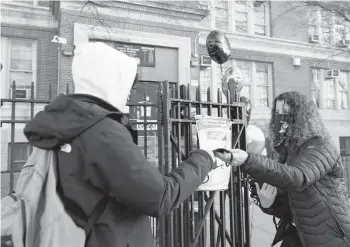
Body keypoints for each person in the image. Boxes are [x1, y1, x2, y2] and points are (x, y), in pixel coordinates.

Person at [23, 42, 231, 247]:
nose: (130, 93)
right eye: (127, 83)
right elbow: (160, 197)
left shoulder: (64, 123)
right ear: (110, 80)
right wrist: (204, 157)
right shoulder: (102, 131)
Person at [217, 91, 350, 247]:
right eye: (277, 113)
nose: (280, 118)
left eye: (286, 113)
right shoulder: (288, 152)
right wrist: (269, 204)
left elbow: (297, 178)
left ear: (302, 117)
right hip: (297, 234)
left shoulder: (321, 145)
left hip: (331, 236)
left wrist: (248, 160)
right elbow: (290, 206)